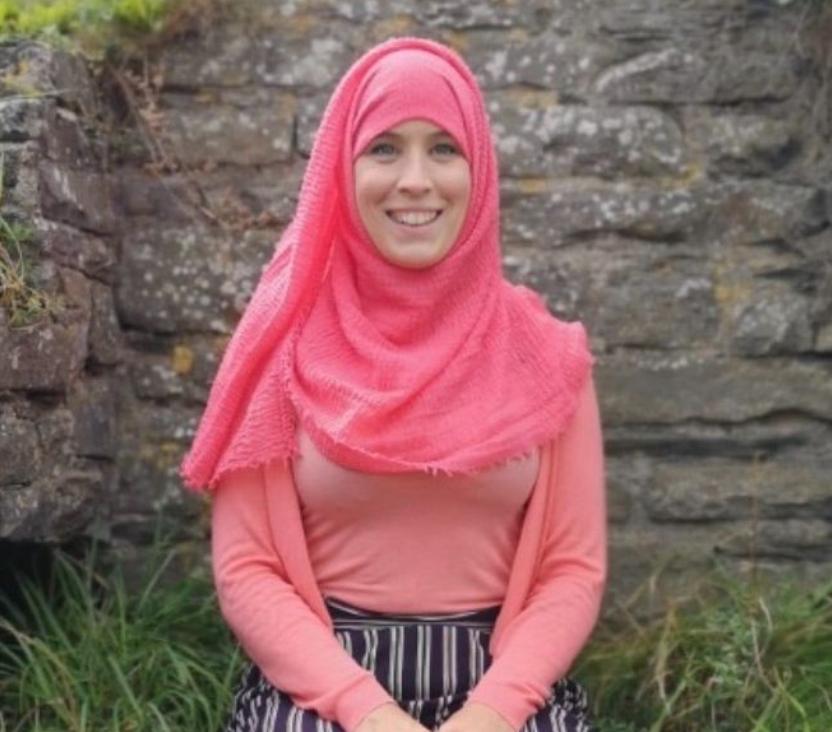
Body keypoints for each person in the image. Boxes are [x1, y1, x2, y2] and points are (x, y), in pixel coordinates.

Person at [180, 37, 607, 732]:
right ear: (339, 173)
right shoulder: (281, 345)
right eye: (384, 149)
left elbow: (571, 570)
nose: (415, 179)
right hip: (319, 687)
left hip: (506, 687)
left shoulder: (547, 357)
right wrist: (368, 712)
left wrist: (493, 714)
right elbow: (249, 569)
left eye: (444, 148)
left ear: (480, 170)